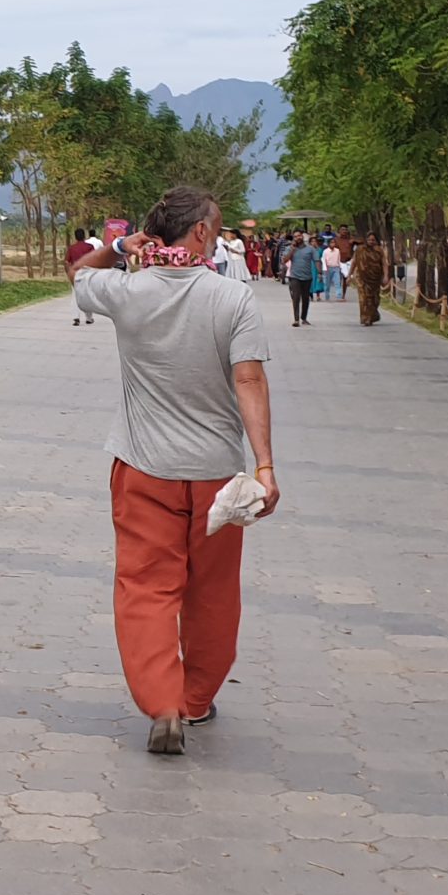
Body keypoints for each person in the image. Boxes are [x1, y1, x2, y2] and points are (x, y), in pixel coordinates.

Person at [67, 186, 277, 755]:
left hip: (143, 469)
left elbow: (79, 277)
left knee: (145, 587)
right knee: (211, 592)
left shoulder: (128, 289)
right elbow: (250, 380)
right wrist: (264, 465)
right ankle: (197, 699)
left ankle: (162, 704)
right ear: (203, 232)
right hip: (216, 475)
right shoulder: (233, 299)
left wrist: (116, 246)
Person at [285, 233, 321, 326]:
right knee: (296, 297)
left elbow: (317, 261)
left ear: (303, 237)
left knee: (305, 298)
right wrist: (292, 251)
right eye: (296, 236)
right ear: (294, 238)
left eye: (299, 236)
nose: (298, 237)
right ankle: (296, 319)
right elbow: (284, 260)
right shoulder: (290, 248)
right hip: (294, 277)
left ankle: (304, 318)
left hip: (307, 277)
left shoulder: (310, 249)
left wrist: (320, 273)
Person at [354, 233, 388, 324]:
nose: (371, 242)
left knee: (375, 299)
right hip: (362, 277)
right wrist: (349, 275)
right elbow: (355, 262)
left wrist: (385, 276)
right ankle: (365, 318)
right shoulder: (360, 250)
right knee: (363, 298)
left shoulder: (379, 250)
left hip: (375, 278)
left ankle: (373, 314)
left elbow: (384, 264)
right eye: (369, 240)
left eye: (373, 240)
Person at [65, 230, 97, 325]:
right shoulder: (89, 247)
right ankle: (89, 318)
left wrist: (68, 272)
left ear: (75, 237)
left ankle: (76, 317)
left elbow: (66, 262)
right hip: (87, 273)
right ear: (84, 236)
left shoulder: (71, 248)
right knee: (87, 295)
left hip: (75, 274)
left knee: (75, 296)